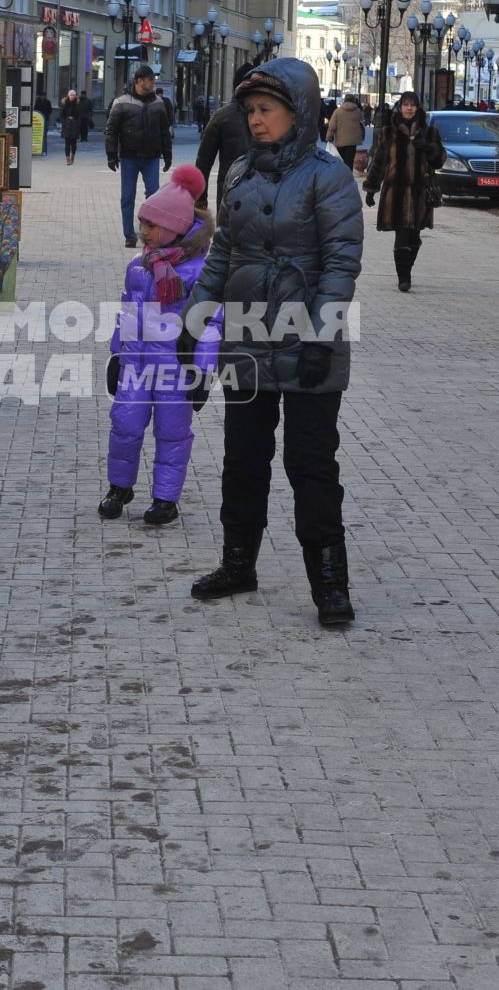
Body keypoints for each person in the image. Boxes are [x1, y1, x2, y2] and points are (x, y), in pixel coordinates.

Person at [178, 58, 363, 624]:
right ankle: (239, 562)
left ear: (299, 114)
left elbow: (340, 264)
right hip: (249, 339)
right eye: (251, 111)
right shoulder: (237, 175)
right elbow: (222, 257)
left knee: (310, 465)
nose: (256, 121)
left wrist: (319, 338)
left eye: (267, 111)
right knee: (243, 459)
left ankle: (330, 586)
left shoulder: (329, 176)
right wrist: (192, 323)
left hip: (309, 344)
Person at [102, 165, 220, 527]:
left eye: (151, 226)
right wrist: (117, 355)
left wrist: (203, 371)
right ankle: (119, 487)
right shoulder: (139, 267)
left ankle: (165, 498)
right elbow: (127, 311)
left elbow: (211, 323)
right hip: (136, 366)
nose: (144, 233)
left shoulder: (199, 272)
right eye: (142, 225)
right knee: (124, 425)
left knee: (172, 433)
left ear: (174, 229)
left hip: (176, 370)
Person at [362, 91, 445, 293]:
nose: (409, 108)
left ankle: (407, 266)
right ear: (399, 107)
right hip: (396, 193)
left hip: (420, 193)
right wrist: (372, 188)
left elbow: (440, 158)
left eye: (413, 105)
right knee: (402, 235)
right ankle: (403, 277)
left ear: (418, 108)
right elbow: (379, 162)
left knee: (414, 237)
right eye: (405, 104)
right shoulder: (388, 132)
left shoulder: (429, 131)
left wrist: (428, 148)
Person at [105, 64, 176, 248]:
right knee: (127, 197)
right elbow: (111, 131)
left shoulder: (158, 103)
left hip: (151, 158)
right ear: (139, 81)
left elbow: (164, 131)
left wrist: (167, 155)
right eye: (150, 79)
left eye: (153, 79)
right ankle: (129, 235)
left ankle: (150, 233)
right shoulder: (121, 102)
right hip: (129, 157)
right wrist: (111, 155)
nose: (153, 82)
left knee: (154, 196)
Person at [327, 92, 367, 170]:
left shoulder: (337, 112)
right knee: (349, 162)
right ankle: (349, 177)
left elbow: (332, 126)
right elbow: (362, 123)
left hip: (340, 141)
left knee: (341, 161)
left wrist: (329, 136)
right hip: (353, 141)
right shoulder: (358, 111)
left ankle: (342, 177)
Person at [58, 89, 86, 165]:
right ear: (68, 95)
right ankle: (67, 159)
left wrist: (78, 123)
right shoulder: (64, 103)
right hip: (67, 125)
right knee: (67, 143)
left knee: (73, 143)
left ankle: (72, 156)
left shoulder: (78, 103)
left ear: (75, 96)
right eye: (71, 95)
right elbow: (61, 115)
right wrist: (64, 122)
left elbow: (80, 115)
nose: (72, 96)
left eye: (74, 95)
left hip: (75, 125)